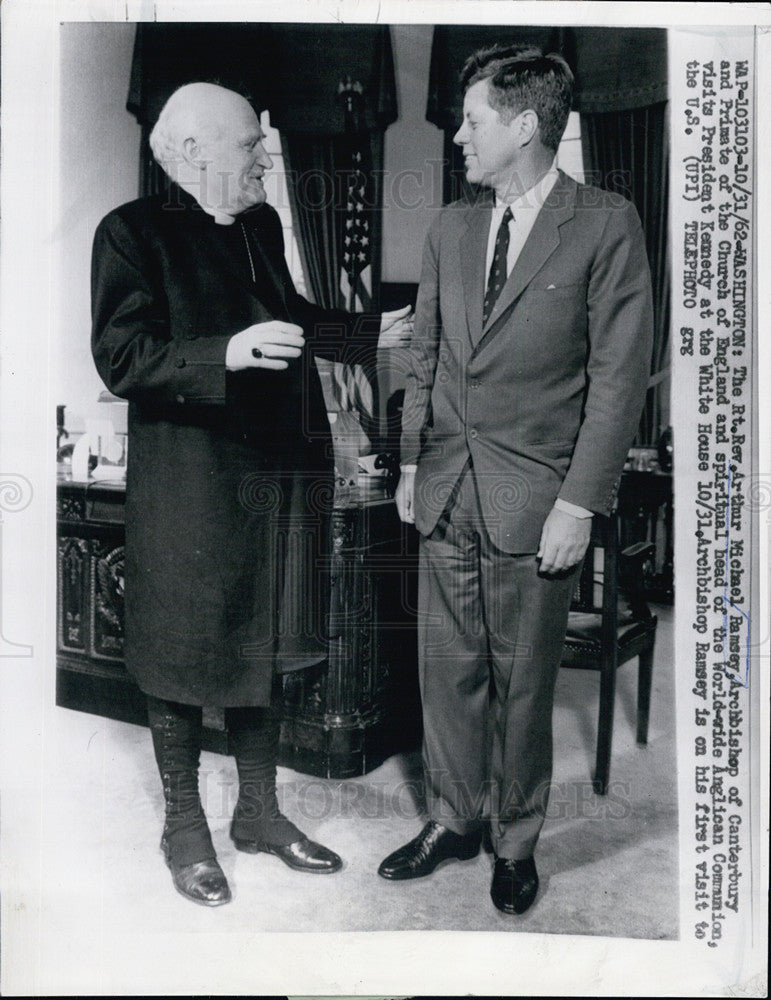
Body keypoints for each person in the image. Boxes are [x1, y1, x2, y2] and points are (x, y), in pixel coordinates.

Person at [91, 82, 412, 906]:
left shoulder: (261, 227)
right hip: (191, 488)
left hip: (277, 478)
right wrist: (223, 354)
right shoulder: (130, 233)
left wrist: (375, 334)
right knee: (182, 648)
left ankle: (259, 815)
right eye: (249, 146)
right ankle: (184, 827)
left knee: (262, 641)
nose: (266, 157)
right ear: (193, 152)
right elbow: (124, 357)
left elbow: (296, 317)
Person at [378, 45, 653, 915]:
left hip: (539, 500)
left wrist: (579, 499)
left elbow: (617, 377)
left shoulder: (605, 222)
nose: (457, 137)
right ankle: (454, 820)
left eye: (473, 121)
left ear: (526, 125)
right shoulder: (451, 228)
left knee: (524, 679)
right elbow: (423, 355)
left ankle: (515, 841)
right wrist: (414, 461)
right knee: (444, 666)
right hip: (445, 489)